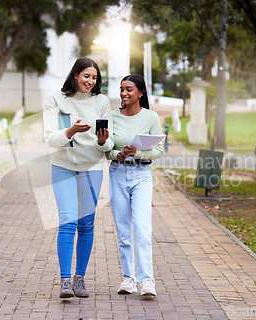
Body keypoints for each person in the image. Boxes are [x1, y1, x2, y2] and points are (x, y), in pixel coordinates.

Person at [43, 57, 113, 299]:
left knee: (86, 224)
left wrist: (103, 140)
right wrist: (71, 130)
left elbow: (108, 143)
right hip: (63, 166)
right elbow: (50, 138)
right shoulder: (56, 99)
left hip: (91, 168)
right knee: (68, 221)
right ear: (75, 75)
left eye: (94, 77)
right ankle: (64, 281)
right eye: (86, 76)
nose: (90, 81)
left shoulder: (102, 101)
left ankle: (79, 279)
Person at [106, 74, 163, 297]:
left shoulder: (151, 117)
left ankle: (147, 280)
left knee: (142, 228)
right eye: (121, 89)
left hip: (141, 175)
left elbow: (157, 151)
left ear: (140, 92)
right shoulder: (112, 117)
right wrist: (116, 154)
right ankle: (129, 278)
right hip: (117, 174)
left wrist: (136, 152)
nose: (124, 93)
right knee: (123, 230)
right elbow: (105, 149)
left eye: (129, 89)